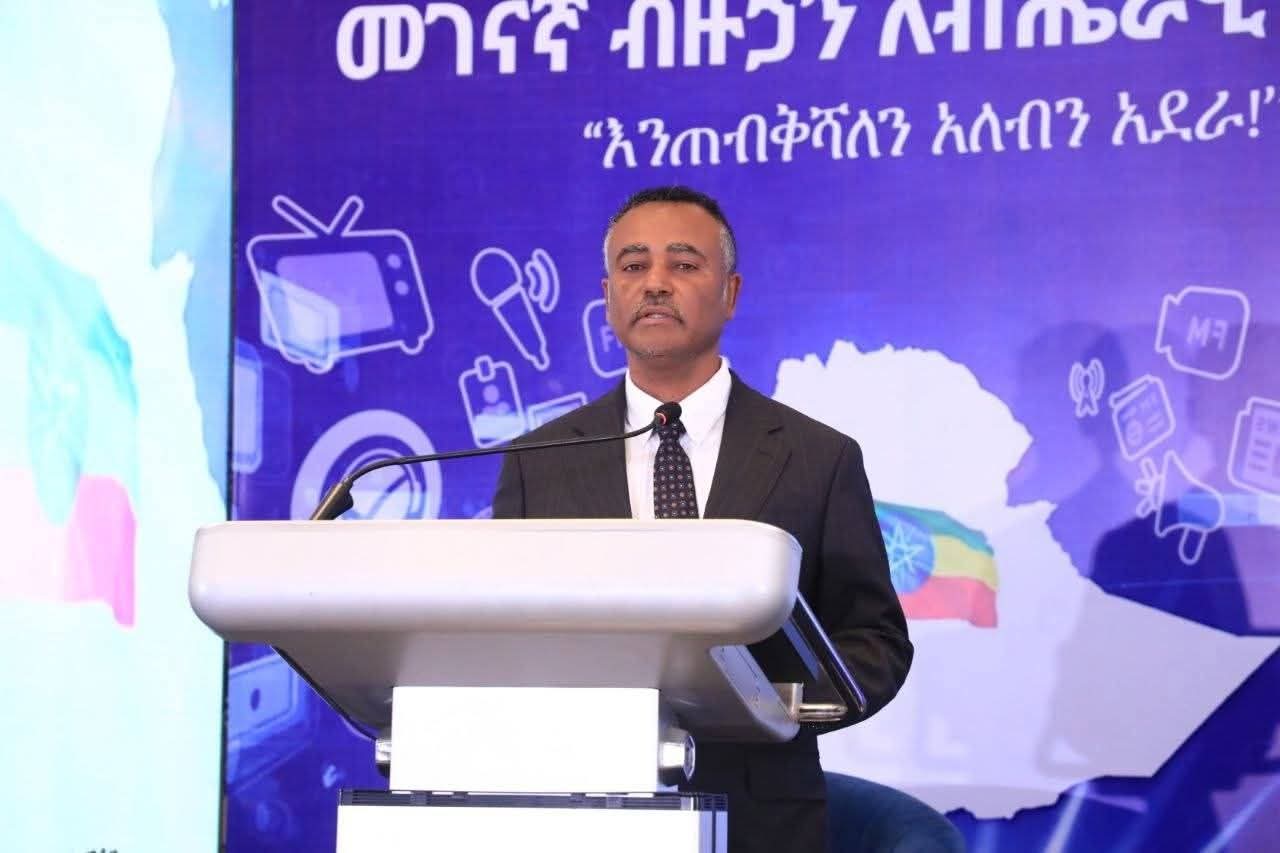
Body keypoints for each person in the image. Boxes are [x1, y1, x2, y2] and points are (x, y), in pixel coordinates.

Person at [492, 185, 913, 852]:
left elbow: (874, 639)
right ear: (608, 294)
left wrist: (768, 705)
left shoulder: (818, 457)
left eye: (684, 264)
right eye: (634, 266)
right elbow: (501, 637)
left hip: (761, 822)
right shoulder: (538, 461)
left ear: (731, 292)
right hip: (578, 814)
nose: (655, 283)